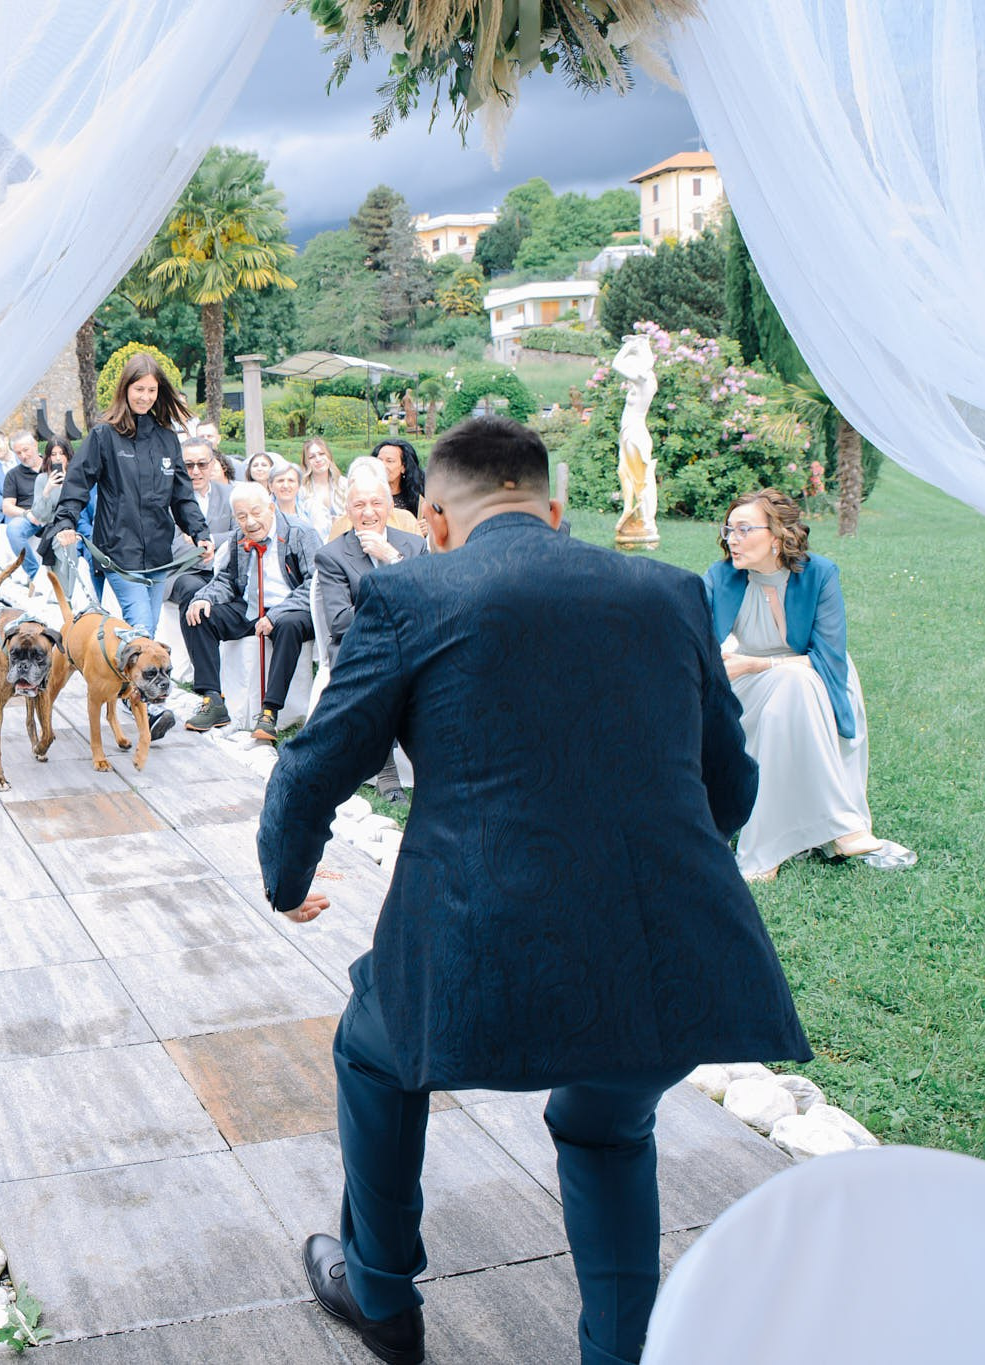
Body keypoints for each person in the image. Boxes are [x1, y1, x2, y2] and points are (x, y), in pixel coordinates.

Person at [259, 416, 809, 1365]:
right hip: (668, 948)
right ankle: (621, 1351)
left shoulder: (406, 593)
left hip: (477, 940)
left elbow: (313, 768)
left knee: (374, 1051)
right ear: (556, 511)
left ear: (433, 519)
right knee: (605, 1124)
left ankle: (382, 1295)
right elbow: (733, 787)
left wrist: (287, 881)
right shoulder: (673, 592)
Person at [705, 489, 915, 881]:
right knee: (789, 683)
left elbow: (829, 657)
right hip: (749, 689)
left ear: (778, 534)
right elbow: (698, 646)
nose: (732, 538)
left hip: (819, 679)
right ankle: (843, 830)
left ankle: (769, 850)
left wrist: (758, 663)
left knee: (795, 680)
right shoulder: (721, 577)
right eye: (729, 529)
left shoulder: (820, 574)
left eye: (744, 529)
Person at [47, 355, 211, 743]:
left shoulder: (168, 438)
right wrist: (66, 522)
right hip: (117, 555)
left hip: (157, 556)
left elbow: (182, 495)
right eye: (139, 389)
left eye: (152, 390)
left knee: (147, 631)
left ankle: (127, 693)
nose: (146, 396)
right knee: (140, 631)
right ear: (125, 389)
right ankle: (146, 707)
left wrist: (198, 530)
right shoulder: (104, 437)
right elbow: (77, 481)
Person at [312, 457, 425, 805]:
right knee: (385, 674)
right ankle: (386, 770)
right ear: (348, 510)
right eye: (359, 505)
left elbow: (428, 600)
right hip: (358, 648)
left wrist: (392, 559)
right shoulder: (332, 555)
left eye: (377, 503)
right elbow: (340, 622)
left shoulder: (412, 546)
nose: (369, 512)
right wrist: (392, 609)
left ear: (390, 506)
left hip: (410, 642)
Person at [182, 482, 320, 743]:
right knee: (196, 615)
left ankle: (269, 712)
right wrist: (203, 598)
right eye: (242, 516)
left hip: (291, 607)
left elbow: (315, 583)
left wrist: (277, 614)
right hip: (250, 607)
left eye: (256, 513)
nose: (250, 522)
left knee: (289, 625)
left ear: (271, 507)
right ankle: (213, 699)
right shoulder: (238, 537)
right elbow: (226, 580)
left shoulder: (300, 532)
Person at [166, 435, 236, 609]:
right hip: (182, 573)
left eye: (202, 464)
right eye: (188, 465)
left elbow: (240, 534)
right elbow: (173, 546)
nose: (195, 471)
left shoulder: (231, 495)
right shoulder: (166, 499)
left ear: (212, 464)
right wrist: (210, 556)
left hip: (225, 571)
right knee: (195, 590)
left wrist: (211, 540)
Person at [0, 430, 51, 578]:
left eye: (25, 450)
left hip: (54, 513)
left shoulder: (52, 466)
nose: (23, 456)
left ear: (35, 445)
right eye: (18, 453)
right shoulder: (13, 475)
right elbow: (7, 507)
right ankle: (36, 576)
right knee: (13, 530)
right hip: (30, 518)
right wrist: (26, 514)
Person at [373, 437, 427, 532]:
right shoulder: (366, 496)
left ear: (404, 467)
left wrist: (426, 530)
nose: (382, 465)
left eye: (389, 461)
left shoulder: (419, 498)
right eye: (379, 460)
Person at [296, 437, 345, 537]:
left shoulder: (344, 484)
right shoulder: (301, 490)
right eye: (312, 457)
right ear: (306, 462)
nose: (318, 459)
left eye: (321, 454)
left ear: (329, 456)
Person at [267, 458, 304, 522]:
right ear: (271, 486)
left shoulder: (311, 510)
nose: (286, 486)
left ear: (299, 485)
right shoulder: (265, 513)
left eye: (291, 480)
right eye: (280, 481)